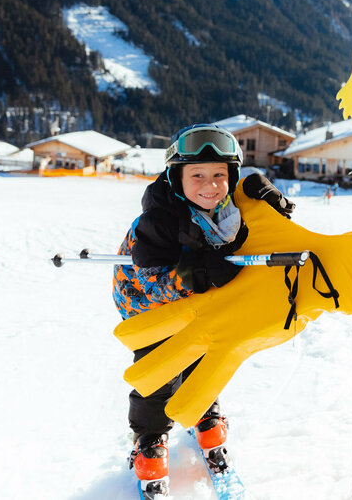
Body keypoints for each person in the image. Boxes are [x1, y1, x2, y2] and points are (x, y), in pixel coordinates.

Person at [112, 123, 295, 497]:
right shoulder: (158, 222)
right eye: (197, 175)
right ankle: (149, 439)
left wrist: (271, 204)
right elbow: (150, 283)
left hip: (201, 304)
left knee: (206, 356)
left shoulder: (226, 211)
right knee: (160, 372)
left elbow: (255, 223)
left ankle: (203, 412)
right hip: (149, 309)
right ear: (176, 178)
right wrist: (195, 277)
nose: (210, 185)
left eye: (219, 175)